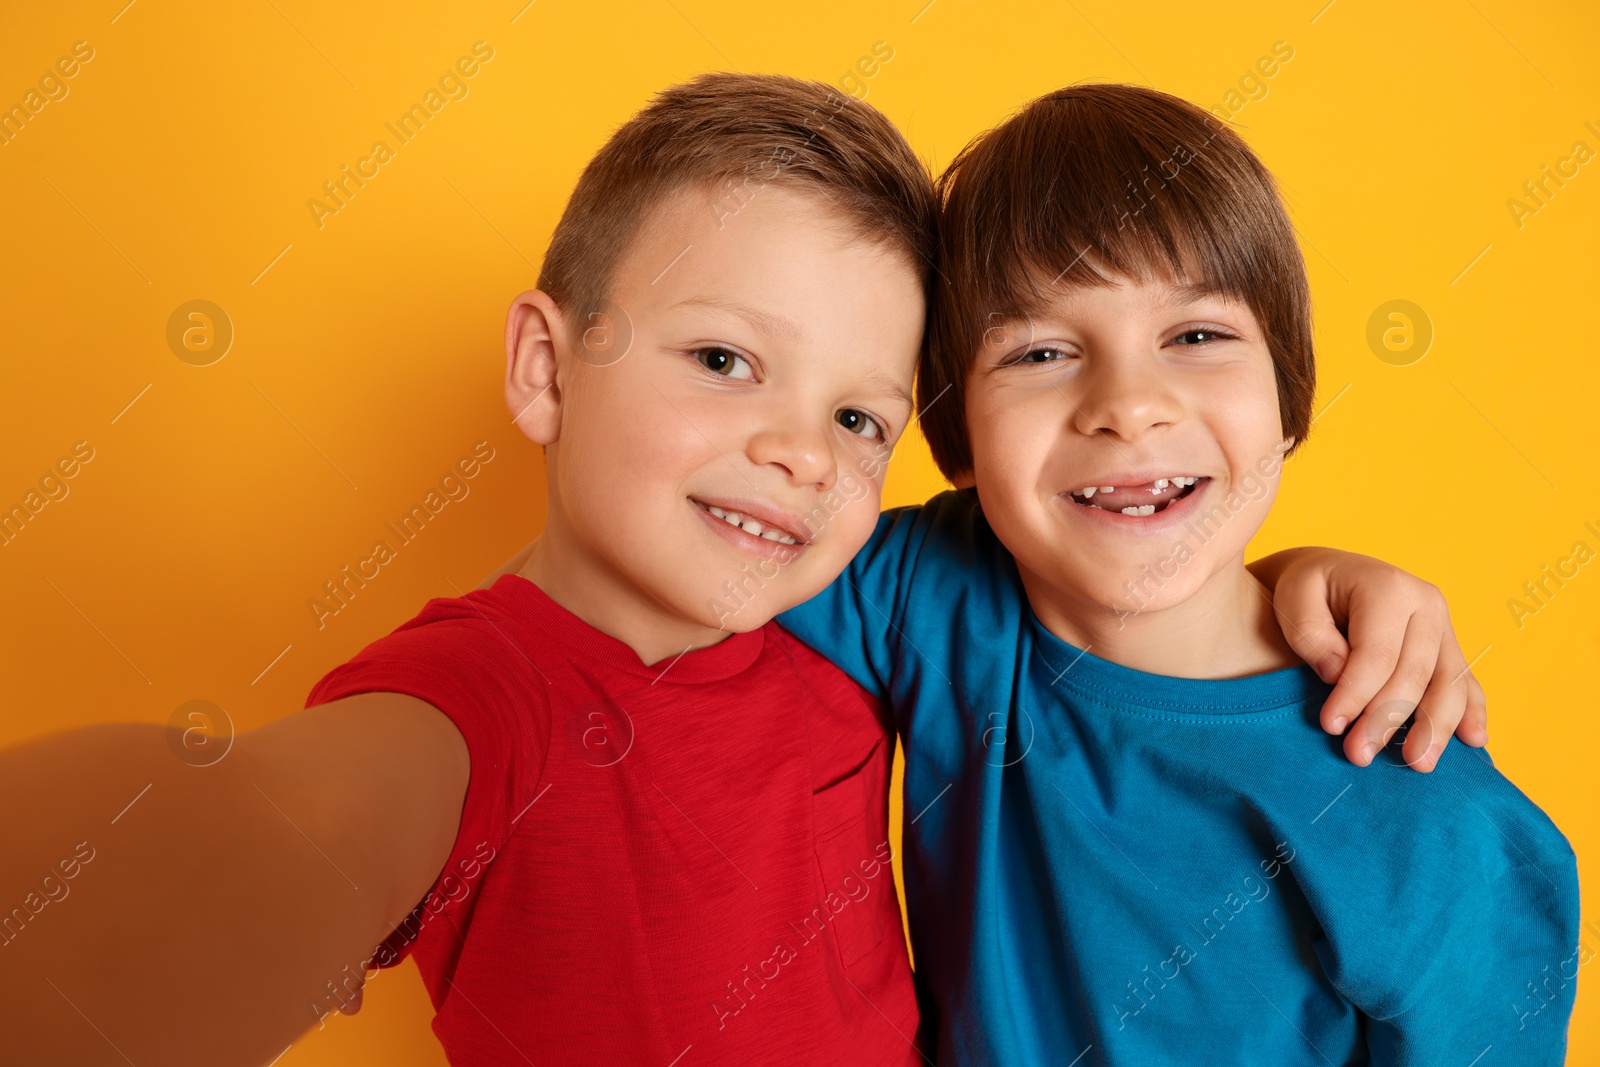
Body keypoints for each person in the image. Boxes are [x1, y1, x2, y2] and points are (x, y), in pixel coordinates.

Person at [1, 74, 1488, 1066]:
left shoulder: (848, 606)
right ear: (543, 364)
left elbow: (1111, 550)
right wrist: (199, 872)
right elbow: (284, 812)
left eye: (858, 415)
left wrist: (1318, 567)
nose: (800, 452)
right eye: (724, 358)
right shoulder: (483, 691)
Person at [776, 82, 1579, 1064]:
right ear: (955, 437)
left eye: (1196, 336)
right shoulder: (927, 593)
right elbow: (692, 553)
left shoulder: (1423, 815)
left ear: (1287, 399)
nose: (1128, 405)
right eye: (1040, 350)